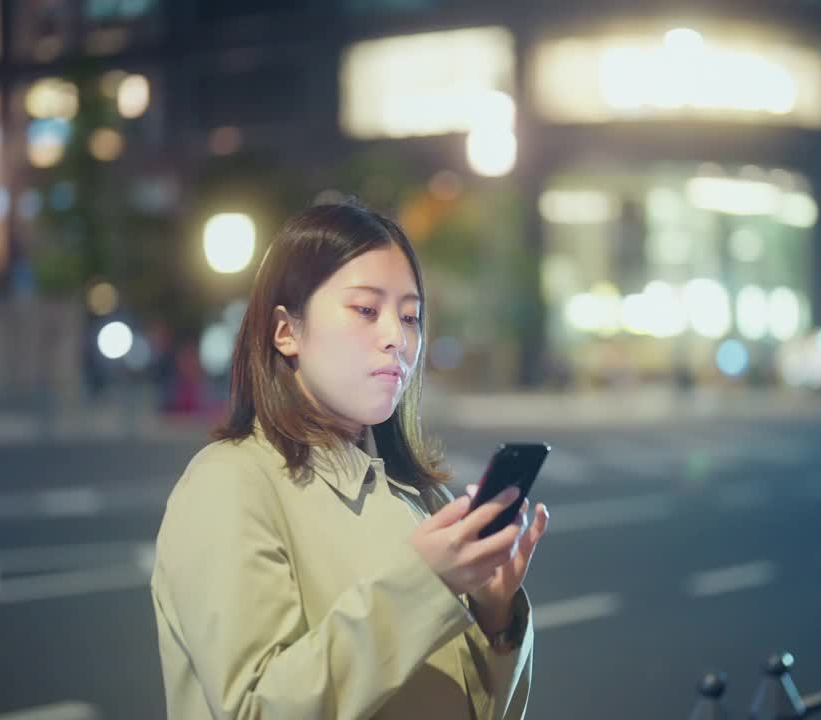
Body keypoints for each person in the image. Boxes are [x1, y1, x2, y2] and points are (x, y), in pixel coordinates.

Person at [151, 200, 551, 720]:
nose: (396, 337)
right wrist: (424, 584)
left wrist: (496, 619)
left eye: (410, 316)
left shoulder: (423, 499)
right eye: (366, 310)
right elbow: (255, 709)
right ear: (285, 331)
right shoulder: (228, 484)